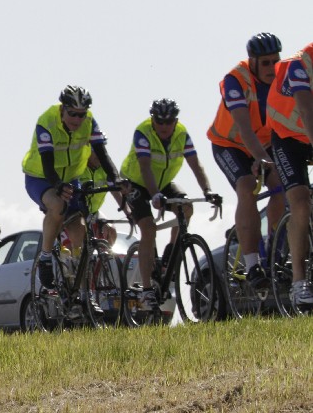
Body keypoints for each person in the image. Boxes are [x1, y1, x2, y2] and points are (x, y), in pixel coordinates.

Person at [121, 99, 217, 309]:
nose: (164, 126)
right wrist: (155, 195)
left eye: (169, 121)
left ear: (176, 120)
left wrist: (207, 191)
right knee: (148, 228)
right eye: (159, 121)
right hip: (135, 182)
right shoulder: (143, 132)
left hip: (163, 182)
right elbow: (145, 168)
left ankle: (169, 255)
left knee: (186, 207)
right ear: (153, 119)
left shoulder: (182, 133)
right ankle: (147, 290)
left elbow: (196, 165)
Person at [208, 32, 286, 290]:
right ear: (252, 62)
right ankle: (252, 264)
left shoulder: (283, 78)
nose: (272, 68)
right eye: (265, 63)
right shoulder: (236, 80)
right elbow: (244, 128)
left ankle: (275, 252)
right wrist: (261, 159)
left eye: (276, 61)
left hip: (264, 143)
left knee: (282, 187)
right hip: (229, 144)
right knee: (246, 186)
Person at [22, 85, 120, 290]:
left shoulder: (89, 122)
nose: (77, 119)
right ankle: (46, 257)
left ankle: (81, 293)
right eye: (72, 114)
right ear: (62, 109)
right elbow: (47, 163)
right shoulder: (47, 121)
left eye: (81, 114)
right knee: (58, 206)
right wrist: (58, 185)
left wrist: (117, 179)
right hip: (41, 177)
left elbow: (103, 154)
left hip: (70, 178)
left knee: (79, 232)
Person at [265, 40, 313, 309]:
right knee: (300, 201)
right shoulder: (299, 65)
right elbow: (306, 110)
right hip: (288, 139)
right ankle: (298, 282)